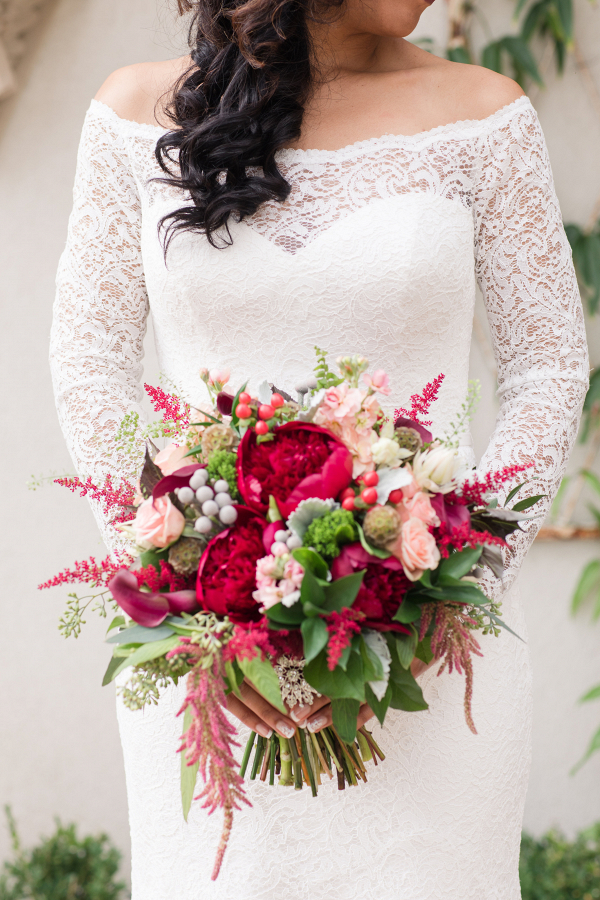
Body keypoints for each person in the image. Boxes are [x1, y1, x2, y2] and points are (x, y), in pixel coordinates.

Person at [49, 0, 589, 896]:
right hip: (216, 675)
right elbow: (89, 363)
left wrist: (456, 583)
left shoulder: (485, 116)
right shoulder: (135, 115)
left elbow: (549, 368)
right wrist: (194, 611)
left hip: (430, 662)